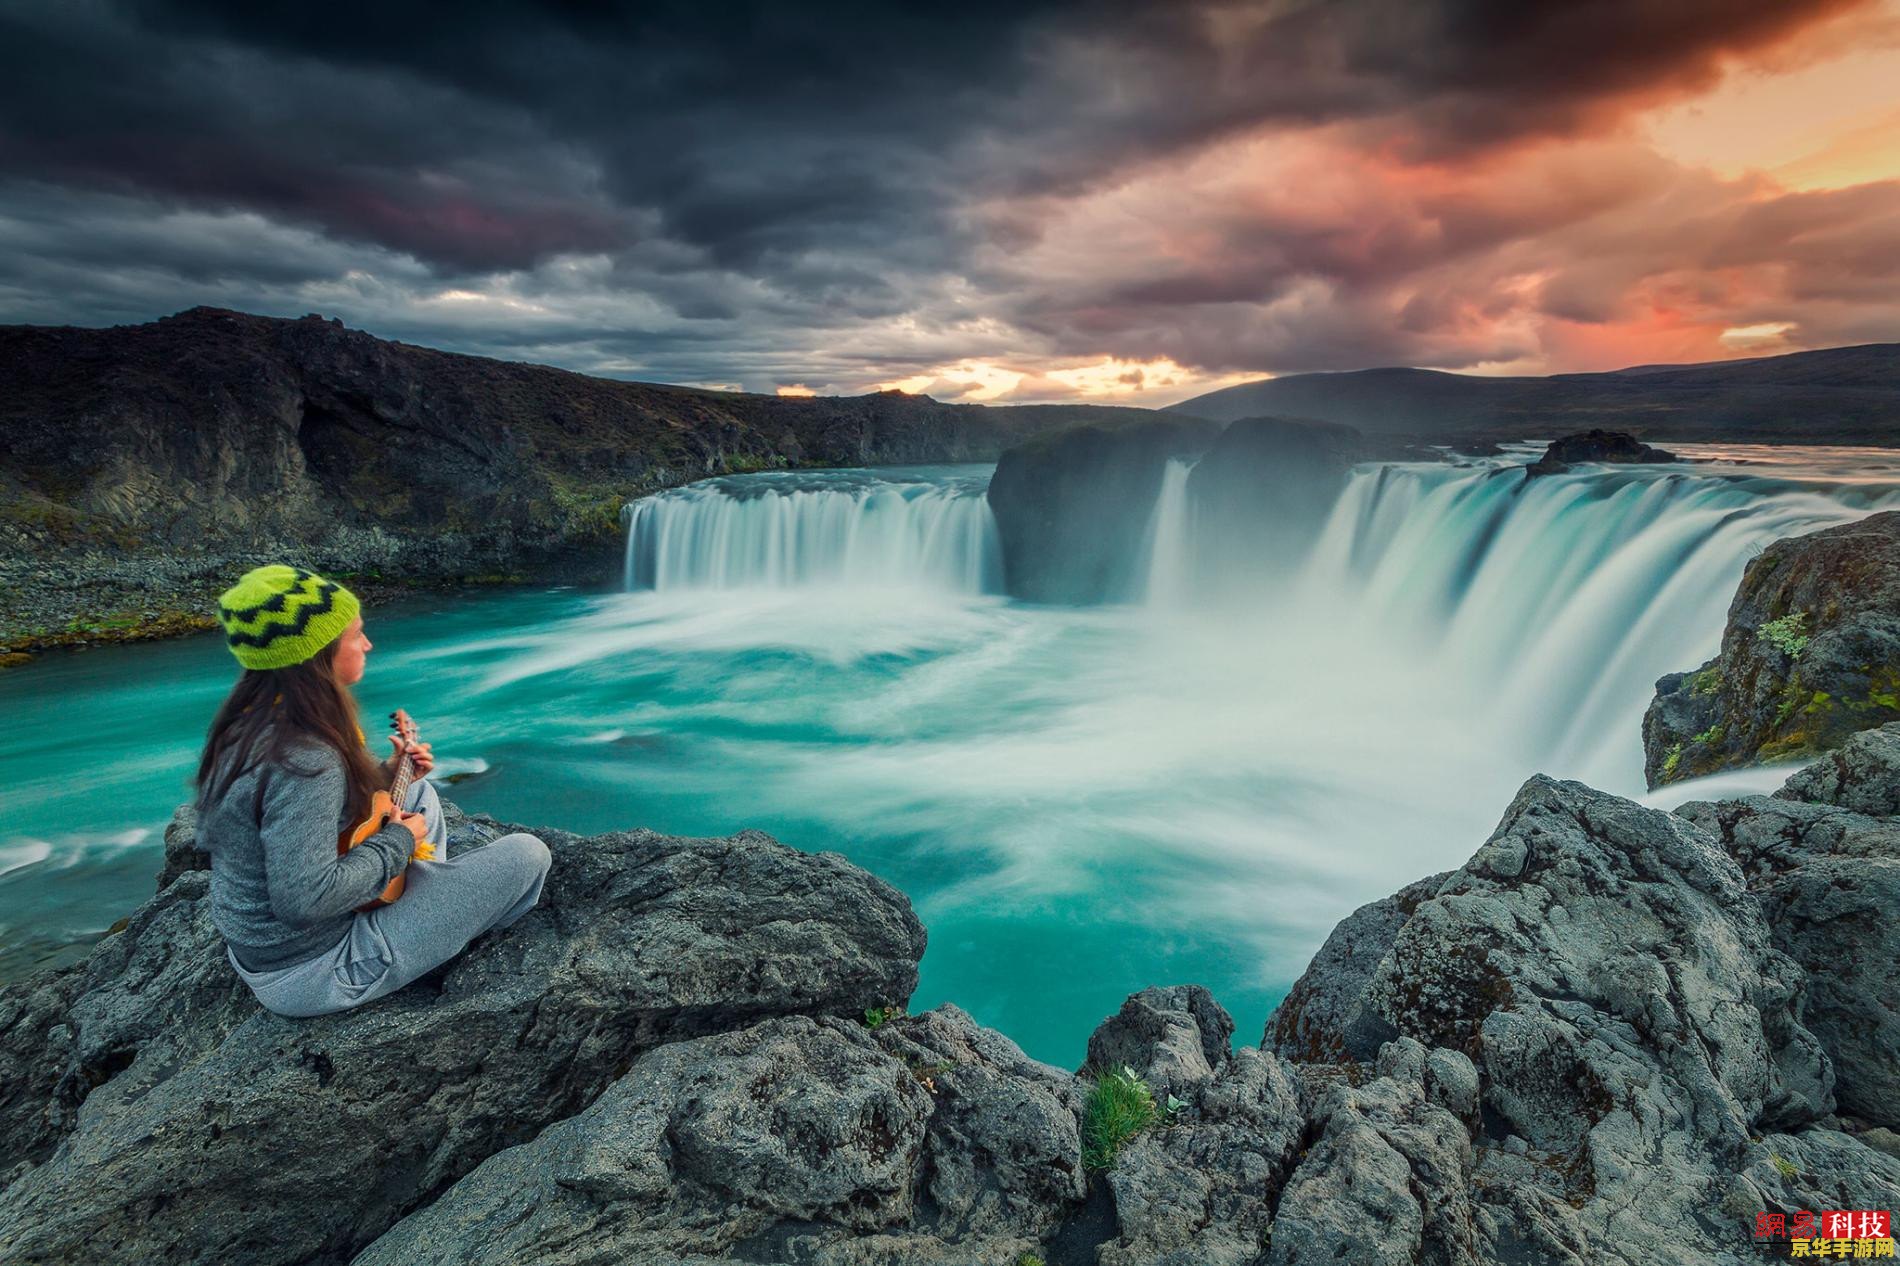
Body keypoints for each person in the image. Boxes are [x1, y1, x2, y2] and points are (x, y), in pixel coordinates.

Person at [193, 563, 551, 1017]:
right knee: (527, 854)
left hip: (266, 949)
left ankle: (409, 899)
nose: (368, 644)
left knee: (418, 797)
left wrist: (384, 775)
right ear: (318, 655)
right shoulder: (305, 759)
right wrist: (398, 842)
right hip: (315, 969)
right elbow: (305, 901)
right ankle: (428, 929)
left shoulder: (247, 725)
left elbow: (286, 817)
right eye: (356, 635)